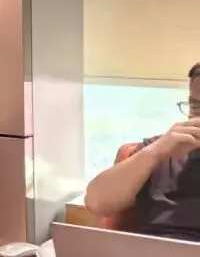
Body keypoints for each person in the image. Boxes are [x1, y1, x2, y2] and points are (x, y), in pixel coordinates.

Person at [84, 64, 200, 242]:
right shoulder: (163, 148)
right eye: (195, 105)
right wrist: (155, 152)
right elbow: (96, 202)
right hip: (152, 254)